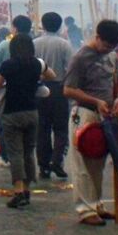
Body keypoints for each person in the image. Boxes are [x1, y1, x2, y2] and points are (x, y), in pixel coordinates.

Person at [63, 19, 118, 226]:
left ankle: (96, 204)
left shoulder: (112, 55)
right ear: (97, 37)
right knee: (82, 163)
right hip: (84, 114)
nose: (108, 50)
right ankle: (85, 209)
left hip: (106, 116)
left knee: (97, 164)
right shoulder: (80, 57)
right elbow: (68, 90)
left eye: (112, 47)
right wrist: (96, 101)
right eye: (106, 45)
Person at [0, 32, 56, 208]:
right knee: (29, 151)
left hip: (12, 113)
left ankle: (19, 190)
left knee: (15, 153)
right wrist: (38, 78)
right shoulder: (38, 63)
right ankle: (28, 188)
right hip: (32, 112)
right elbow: (52, 75)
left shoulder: (8, 65)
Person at [33, 12, 73, 179]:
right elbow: (70, 69)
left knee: (42, 128)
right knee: (61, 128)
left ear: (43, 24)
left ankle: (43, 166)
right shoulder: (65, 45)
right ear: (59, 26)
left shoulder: (34, 43)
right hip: (59, 89)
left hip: (39, 89)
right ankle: (57, 161)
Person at [0, 15, 32, 167]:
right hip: (30, 91)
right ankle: (26, 157)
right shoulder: (34, 44)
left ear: (14, 28)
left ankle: (5, 157)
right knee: (28, 126)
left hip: (6, 90)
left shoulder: (5, 44)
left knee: (4, 124)